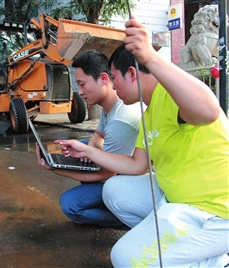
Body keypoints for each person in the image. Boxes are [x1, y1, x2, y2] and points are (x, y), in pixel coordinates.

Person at [56, 17, 229, 267]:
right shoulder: (148, 113)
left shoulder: (170, 96)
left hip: (212, 212)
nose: (113, 86)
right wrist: (85, 150)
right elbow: (137, 165)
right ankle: (182, 249)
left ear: (132, 74)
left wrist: (150, 57)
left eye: (114, 78)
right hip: (173, 200)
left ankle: (214, 262)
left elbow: (209, 111)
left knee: (124, 258)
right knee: (114, 190)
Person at [36, 50, 141, 229]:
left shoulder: (120, 118)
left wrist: (55, 169)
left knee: (70, 204)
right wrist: (87, 152)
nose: (80, 91)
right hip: (119, 167)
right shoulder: (109, 105)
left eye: (82, 84)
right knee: (83, 147)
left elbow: (106, 174)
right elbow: (98, 136)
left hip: (131, 181)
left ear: (104, 79)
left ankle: (133, 219)